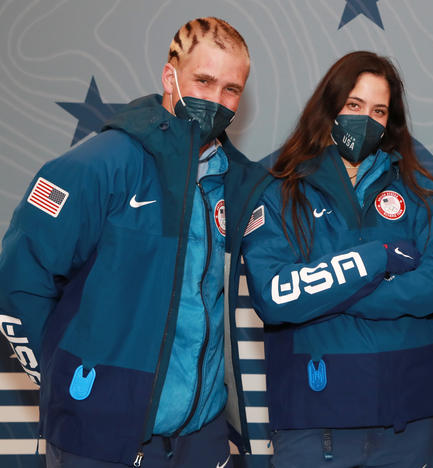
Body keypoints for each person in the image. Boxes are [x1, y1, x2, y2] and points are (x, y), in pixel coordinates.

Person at [0, 17, 270, 467]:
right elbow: (17, 280)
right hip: (100, 436)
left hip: (200, 436)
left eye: (231, 89)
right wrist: (61, 379)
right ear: (170, 78)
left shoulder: (235, 181)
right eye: (203, 81)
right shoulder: (100, 165)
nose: (217, 100)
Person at [240, 51, 433, 467]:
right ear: (329, 109)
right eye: (354, 106)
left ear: (391, 122)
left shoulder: (424, 195)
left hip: (408, 416)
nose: (366, 119)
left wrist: (334, 292)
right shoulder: (280, 195)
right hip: (314, 417)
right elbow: (275, 295)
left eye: (379, 110)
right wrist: (373, 262)